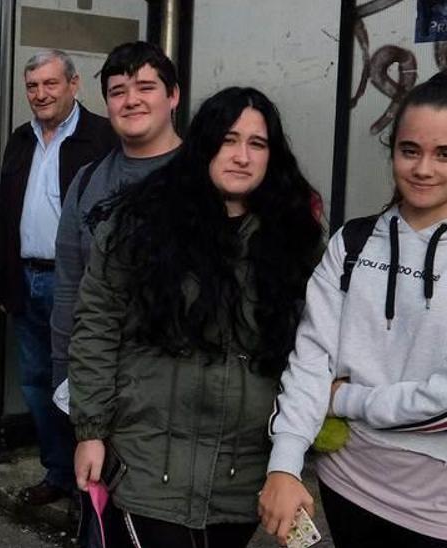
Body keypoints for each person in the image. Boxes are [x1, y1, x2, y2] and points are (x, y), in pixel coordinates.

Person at [260, 68, 447, 548]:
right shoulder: (353, 242)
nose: (423, 169)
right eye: (409, 150)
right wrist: (285, 464)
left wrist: (347, 401)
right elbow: (311, 359)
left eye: (446, 154)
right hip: (348, 486)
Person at [70, 87, 324, 547]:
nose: (242, 156)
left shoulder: (295, 240)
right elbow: (95, 327)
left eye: (257, 144)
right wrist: (90, 431)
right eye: (228, 140)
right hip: (149, 466)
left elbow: (311, 352)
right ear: (203, 145)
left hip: (239, 475)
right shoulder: (139, 225)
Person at [0, 49, 117, 505]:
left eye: (50, 84)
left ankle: (91, 489)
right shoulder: (20, 140)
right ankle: (59, 474)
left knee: (82, 385)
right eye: (32, 86)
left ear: (73, 84)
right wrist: (4, 284)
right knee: (38, 386)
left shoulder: (102, 136)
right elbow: (4, 215)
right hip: (26, 282)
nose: (41, 94)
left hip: (79, 285)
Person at [51, 41, 181, 393]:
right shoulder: (87, 181)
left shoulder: (204, 178)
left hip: (179, 383)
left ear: (173, 96)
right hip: (100, 377)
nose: (131, 100)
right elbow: (68, 286)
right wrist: (64, 371)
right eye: (118, 91)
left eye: (146, 87)